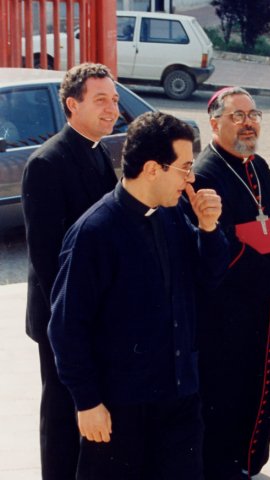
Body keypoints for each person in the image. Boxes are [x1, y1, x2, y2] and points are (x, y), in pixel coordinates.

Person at [47, 111, 229, 479]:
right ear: (151, 169)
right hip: (120, 409)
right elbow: (66, 328)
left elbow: (208, 279)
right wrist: (88, 402)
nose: (191, 179)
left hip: (178, 399)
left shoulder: (173, 213)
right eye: (184, 168)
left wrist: (209, 229)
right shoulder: (94, 233)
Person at [188, 86, 270, 480]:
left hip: (265, 305)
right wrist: (267, 267)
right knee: (228, 392)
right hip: (229, 312)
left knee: (261, 385)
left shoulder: (258, 165)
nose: (249, 122)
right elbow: (213, 244)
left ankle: (248, 463)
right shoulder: (205, 173)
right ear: (215, 122)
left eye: (253, 114)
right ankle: (223, 467)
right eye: (237, 115)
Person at [21, 62, 120, 480]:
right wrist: (82, 317)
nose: (112, 109)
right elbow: (47, 261)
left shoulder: (99, 153)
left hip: (97, 313)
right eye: (100, 100)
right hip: (63, 317)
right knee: (63, 415)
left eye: (114, 100)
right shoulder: (47, 163)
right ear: (71, 105)